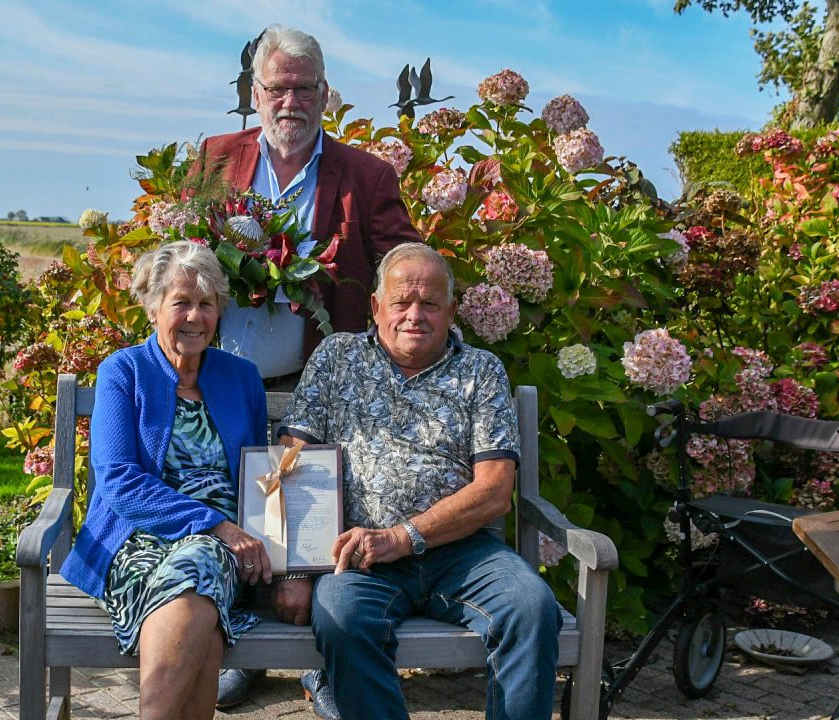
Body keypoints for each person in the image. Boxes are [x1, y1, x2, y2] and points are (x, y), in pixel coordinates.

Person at [276, 243, 563, 720]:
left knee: (531, 607)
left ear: (451, 311)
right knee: (342, 617)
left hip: (462, 551)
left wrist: (403, 537)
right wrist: (297, 570)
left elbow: (495, 490)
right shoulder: (337, 357)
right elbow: (294, 461)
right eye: (401, 302)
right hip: (360, 555)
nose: (415, 315)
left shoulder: (480, 370)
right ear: (375, 307)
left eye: (430, 303)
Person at [59, 240, 271, 720]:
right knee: (202, 611)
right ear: (153, 307)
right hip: (136, 539)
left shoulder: (242, 377)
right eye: (181, 302)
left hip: (221, 551)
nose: (195, 316)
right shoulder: (124, 371)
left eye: (206, 303)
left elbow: (260, 473)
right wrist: (216, 525)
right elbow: (118, 480)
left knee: (200, 568)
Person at [191, 24, 420, 388]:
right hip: (209, 380)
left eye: (304, 89)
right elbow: (180, 255)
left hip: (315, 391)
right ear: (256, 94)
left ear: (323, 94)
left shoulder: (366, 177)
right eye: (278, 89)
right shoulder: (216, 157)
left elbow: (409, 271)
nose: (290, 103)